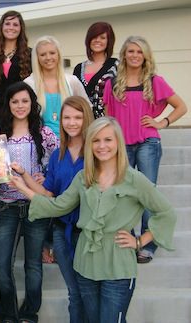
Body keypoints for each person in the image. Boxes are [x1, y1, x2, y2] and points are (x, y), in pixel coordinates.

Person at [12, 116, 177, 323]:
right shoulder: (84, 177)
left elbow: (166, 212)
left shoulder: (134, 179)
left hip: (118, 266)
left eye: (108, 140)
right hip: (86, 263)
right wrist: (22, 187)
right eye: (96, 141)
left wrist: (140, 241)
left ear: (118, 142)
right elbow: (58, 206)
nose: (102, 146)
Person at [103, 35, 187, 263]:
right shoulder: (112, 83)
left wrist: (162, 122)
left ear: (145, 56)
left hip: (147, 142)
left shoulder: (154, 81)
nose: (135, 55)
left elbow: (181, 106)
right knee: (124, 193)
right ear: (124, 54)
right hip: (122, 145)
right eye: (131, 51)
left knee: (147, 193)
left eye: (139, 52)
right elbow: (108, 117)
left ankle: (147, 244)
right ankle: (128, 239)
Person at [11, 96, 93, 323]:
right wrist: (23, 176)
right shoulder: (58, 155)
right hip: (62, 232)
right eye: (67, 117)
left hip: (90, 234)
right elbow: (47, 194)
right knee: (74, 294)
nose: (72, 122)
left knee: (89, 294)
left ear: (87, 118)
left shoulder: (97, 151)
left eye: (78, 117)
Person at [0, 81, 58, 323]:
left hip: (36, 207)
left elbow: (58, 163)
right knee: (1, 265)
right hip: (7, 206)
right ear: (8, 105)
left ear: (32, 103)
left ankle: (30, 313)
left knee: (33, 265)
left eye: (25, 101)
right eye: (15, 101)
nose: (20, 106)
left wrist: (47, 176)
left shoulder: (44, 133)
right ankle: (9, 314)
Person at [25, 35, 89, 137]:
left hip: (71, 142)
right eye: (42, 54)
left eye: (52, 53)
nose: (48, 57)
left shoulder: (72, 81)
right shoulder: (28, 84)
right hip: (40, 144)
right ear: (36, 58)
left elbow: (87, 109)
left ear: (58, 54)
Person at [0, 10, 32, 131]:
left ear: (21, 29)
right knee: (0, 150)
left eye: (15, 24)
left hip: (22, 111)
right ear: (1, 27)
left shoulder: (29, 54)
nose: (11, 28)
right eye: (7, 24)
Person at [73, 22, 118, 119]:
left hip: (107, 121)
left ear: (109, 41)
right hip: (82, 122)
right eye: (94, 37)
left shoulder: (116, 66)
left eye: (102, 37)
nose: (97, 40)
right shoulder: (78, 68)